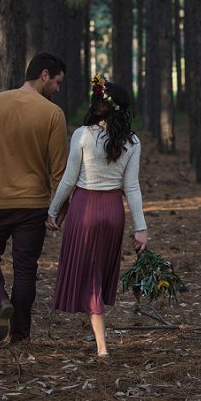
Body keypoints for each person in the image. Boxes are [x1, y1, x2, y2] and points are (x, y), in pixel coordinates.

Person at [0, 52, 68, 345]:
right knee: (25, 268)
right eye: (57, 82)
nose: (58, 89)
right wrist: (59, 207)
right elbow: (59, 171)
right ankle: (20, 335)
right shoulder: (53, 114)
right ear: (44, 75)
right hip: (33, 205)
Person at [46, 76, 148, 358]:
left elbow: (69, 179)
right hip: (113, 211)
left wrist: (53, 210)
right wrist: (141, 228)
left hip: (85, 209)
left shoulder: (82, 135)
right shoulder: (132, 141)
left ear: (98, 105)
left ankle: (102, 347)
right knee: (98, 271)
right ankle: (96, 329)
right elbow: (132, 187)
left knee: (89, 274)